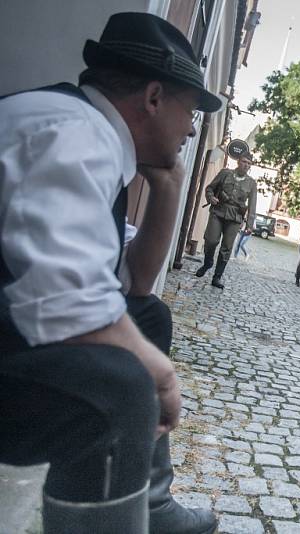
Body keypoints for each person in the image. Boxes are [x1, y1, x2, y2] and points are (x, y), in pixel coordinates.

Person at [0, 12, 219, 533]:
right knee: (123, 383)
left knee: (147, 317)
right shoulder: (73, 133)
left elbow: (132, 286)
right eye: (189, 111)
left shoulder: (88, 133)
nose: (191, 129)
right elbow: (67, 299)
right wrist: (159, 375)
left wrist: (168, 187)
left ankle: (148, 503)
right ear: (152, 97)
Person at [195, 154, 257, 289]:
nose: (246, 165)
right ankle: (208, 262)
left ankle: (217, 277)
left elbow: (252, 205)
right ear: (238, 162)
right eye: (244, 162)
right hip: (218, 211)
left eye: (249, 163)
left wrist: (249, 225)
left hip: (235, 218)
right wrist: (211, 198)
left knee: (226, 248)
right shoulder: (225, 174)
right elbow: (210, 188)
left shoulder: (251, 183)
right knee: (211, 240)